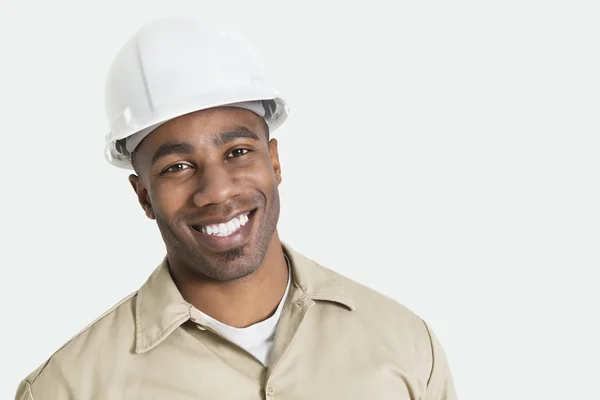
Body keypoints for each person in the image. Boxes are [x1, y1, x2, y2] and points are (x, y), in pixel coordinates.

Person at [15, 16, 457, 400]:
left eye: (238, 152)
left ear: (275, 161)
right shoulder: (68, 388)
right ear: (143, 195)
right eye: (178, 166)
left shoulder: (404, 344)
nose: (216, 192)